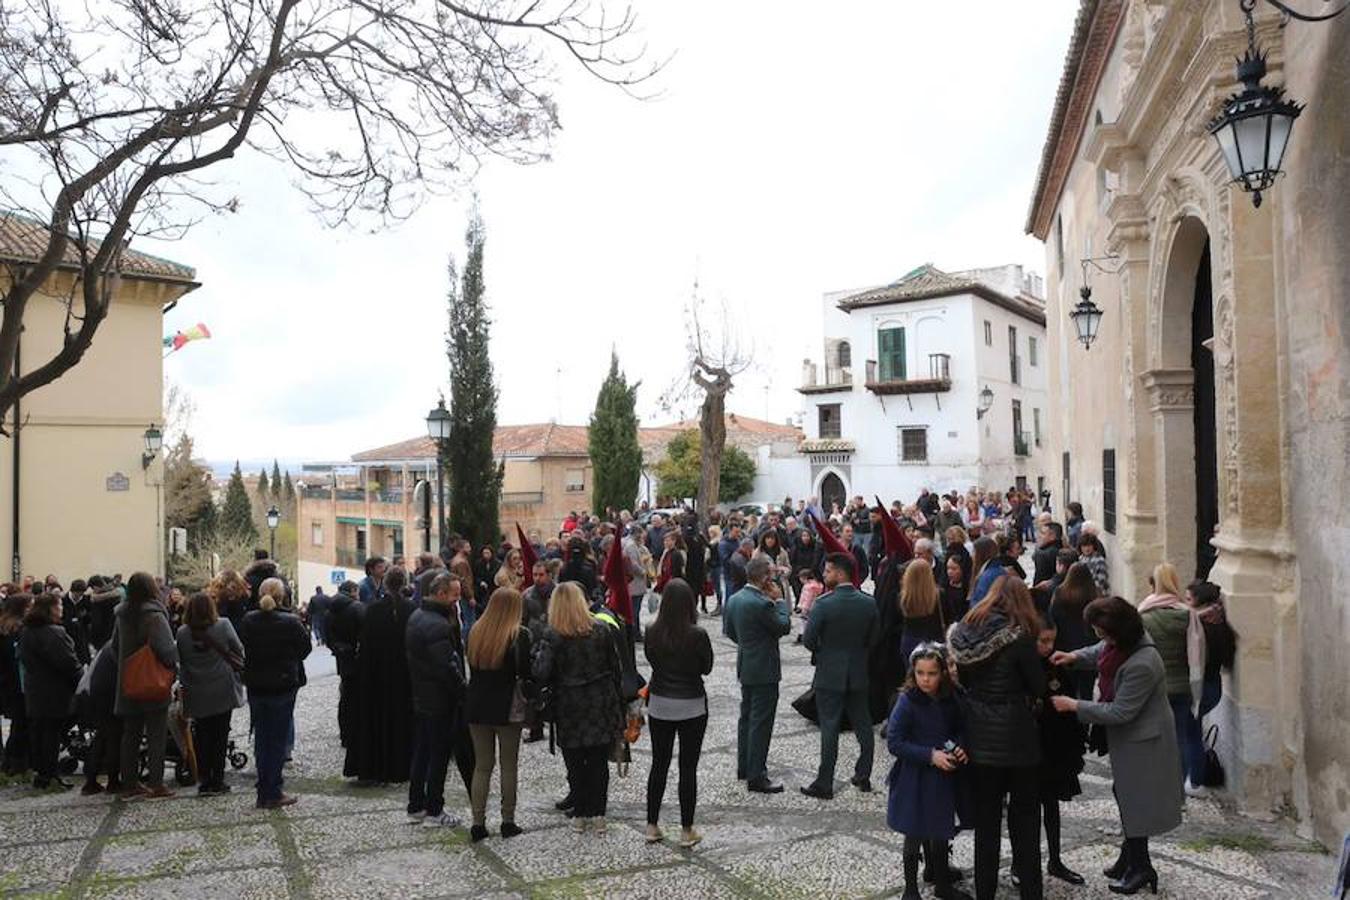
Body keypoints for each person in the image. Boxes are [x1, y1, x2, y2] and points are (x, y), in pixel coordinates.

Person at [1051, 597, 1184, 895]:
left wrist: (1074, 705)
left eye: (1102, 630)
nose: (1099, 636)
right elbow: (1101, 651)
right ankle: (1130, 858)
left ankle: (1141, 868)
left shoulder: (1143, 663)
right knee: (1125, 796)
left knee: (1135, 801)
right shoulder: (1124, 644)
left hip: (1143, 741)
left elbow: (1121, 711)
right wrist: (1072, 656)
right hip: (1131, 740)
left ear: (1119, 631)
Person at [947, 575, 1045, 900]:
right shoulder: (1020, 635)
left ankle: (985, 891)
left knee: (987, 822)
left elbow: (963, 680)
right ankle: (1031, 890)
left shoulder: (964, 633)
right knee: (1026, 819)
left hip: (979, 735)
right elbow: (1038, 686)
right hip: (1018, 737)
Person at [534, 581, 623, 834]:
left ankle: (581, 813)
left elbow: (541, 671)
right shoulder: (601, 630)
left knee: (575, 761)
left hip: (569, 705)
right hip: (600, 702)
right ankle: (598, 814)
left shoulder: (553, 635)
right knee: (598, 762)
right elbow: (615, 668)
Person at [886, 644, 972, 900]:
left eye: (932, 673)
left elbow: (959, 727)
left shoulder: (951, 697)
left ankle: (942, 883)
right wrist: (929, 755)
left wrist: (959, 746)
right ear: (913, 673)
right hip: (916, 777)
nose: (926, 679)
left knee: (940, 828)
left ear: (943, 673)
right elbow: (895, 741)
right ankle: (910, 890)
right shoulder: (907, 701)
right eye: (921, 673)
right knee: (914, 831)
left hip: (943, 777)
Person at [643, 579, 714, 848]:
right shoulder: (697, 634)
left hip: (661, 701)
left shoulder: (651, 631)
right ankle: (687, 829)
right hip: (692, 703)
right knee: (688, 767)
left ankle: (651, 824)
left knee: (658, 765)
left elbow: (651, 660)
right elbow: (706, 667)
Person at [802, 552, 879, 799]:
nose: (824, 575)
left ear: (840, 573)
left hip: (829, 672)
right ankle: (863, 774)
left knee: (829, 727)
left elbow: (810, 640)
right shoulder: (868, 603)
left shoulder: (824, 604)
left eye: (827, 571)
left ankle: (824, 782)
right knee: (863, 724)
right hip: (858, 671)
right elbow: (874, 638)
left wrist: (826, 652)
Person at [465, 587, 533, 842]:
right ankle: (507, 820)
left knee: (482, 766)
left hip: (476, 704)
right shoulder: (518, 635)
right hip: (505, 705)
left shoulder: (475, 632)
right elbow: (526, 673)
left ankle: (478, 822)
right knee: (508, 765)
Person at [239, 576, 312, 809]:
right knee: (278, 739)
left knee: (262, 738)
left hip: (257, 685)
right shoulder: (290, 621)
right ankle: (274, 789)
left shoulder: (249, 620)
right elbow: (305, 648)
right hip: (282, 685)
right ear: (282, 596)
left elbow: (242, 647)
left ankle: (264, 789)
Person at [722, 555, 791, 794]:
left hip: (746, 663)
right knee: (761, 722)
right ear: (763, 577)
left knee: (746, 718)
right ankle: (757, 775)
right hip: (765, 668)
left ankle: (744, 766)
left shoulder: (734, 599)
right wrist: (780, 601)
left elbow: (729, 631)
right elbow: (784, 626)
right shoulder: (762, 603)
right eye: (770, 575)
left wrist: (748, 644)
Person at [405, 570, 467, 829]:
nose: (457, 601)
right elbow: (446, 667)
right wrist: (463, 690)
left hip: (422, 695)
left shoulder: (418, 616)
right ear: (440, 593)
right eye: (454, 596)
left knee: (422, 752)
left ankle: (416, 805)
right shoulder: (438, 625)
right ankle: (434, 810)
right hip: (439, 699)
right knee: (438, 754)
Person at [112, 571, 180, 800]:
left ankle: (129, 782)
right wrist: (173, 665)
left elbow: (113, 647)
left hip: (129, 680)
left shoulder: (121, 614)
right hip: (152, 681)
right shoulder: (153, 614)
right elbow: (166, 650)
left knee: (130, 734)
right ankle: (156, 783)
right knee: (156, 734)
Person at [347, 567, 417, 784]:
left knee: (377, 718)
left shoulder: (374, 609)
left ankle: (376, 765)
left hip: (376, 673)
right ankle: (401, 765)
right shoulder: (410, 609)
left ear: (385, 584)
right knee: (401, 719)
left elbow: (366, 644)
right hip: (403, 673)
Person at [1138, 562, 1205, 789]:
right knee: (1181, 738)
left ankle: (1157, 787)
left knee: (1153, 738)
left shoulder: (1144, 614)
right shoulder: (1189, 615)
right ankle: (1178, 791)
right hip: (1182, 687)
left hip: (1154, 686)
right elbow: (1198, 653)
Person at [1031, 619, 1086, 886]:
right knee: (1028, 809)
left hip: (1055, 746)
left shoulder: (1057, 664)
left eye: (1051, 641)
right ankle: (1024, 864)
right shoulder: (1025, 665)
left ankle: (1055, 858)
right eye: (1042, 641)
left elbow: (1069, 698)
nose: (1047, 646)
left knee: (1051, 805)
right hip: (1031, 746)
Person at [176, 590, 246, 796]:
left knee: (202, 735)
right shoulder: (223, 625)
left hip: (196, 689)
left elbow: (180, 659)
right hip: (222, 688)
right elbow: (239, 650)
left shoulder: (182, 632)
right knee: (220, 733)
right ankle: (218, 779)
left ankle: (204, 778)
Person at [19, 592, 82, 789]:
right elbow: (67, 663)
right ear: (50, 609)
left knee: (40, 732)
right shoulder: (54, 633)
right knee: (52, 734)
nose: (62, 609)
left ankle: (42, 773)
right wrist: (82, 680)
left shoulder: (27, 631)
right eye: (59, 606)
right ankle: (50, 774)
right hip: (55, 690)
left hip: (36, 689)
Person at [1186, 580, 1236, 791]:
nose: (1185, 603)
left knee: (1191, 733)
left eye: (1189, 599)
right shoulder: (1218, 622)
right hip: (1212, 685)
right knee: (1192, 731)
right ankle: (1195, 776)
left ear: (1200, 602)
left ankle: (1196, 780)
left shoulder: (1201, 627)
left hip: (1202, 686)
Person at [326, 580, 364, 749]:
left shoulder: (331, 610)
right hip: (357, 657)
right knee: (356, 698)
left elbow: (328, 637)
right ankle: (356, 734)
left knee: (345, 697)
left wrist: (338, 649)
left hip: (342, 657)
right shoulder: (357, 608)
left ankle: (345, 734)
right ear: (353, 591)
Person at [0, 593, 32, 775]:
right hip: (16, 684)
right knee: (21, 724)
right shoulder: (16, 631)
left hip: (9, 683)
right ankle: (15, 763)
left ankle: (11, 762)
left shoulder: (7, 628)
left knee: (18, 724)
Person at [1032, 523, 1064, 587]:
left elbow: (1039, 579)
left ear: (1052, 536)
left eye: (1043, 533)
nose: (1039, 536)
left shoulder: (1042, 554)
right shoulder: (1063, 550)